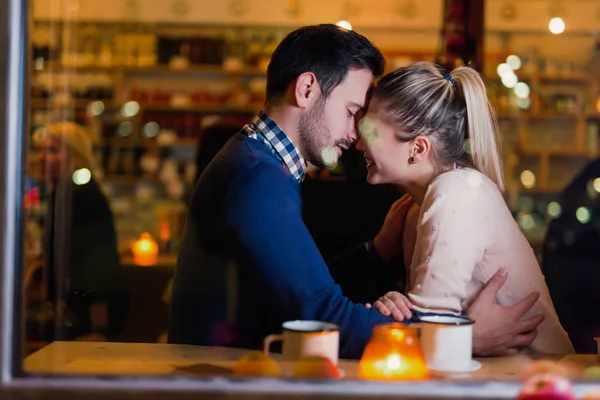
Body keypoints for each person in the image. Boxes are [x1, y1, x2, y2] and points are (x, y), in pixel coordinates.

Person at [169, 24, 543, 359]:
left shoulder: (254, 161)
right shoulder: (257, 177)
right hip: (222, 378)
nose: (354, 135)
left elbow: (298, 288)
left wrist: (376, 253)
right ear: (306, 89)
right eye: (351, 112)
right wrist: (465, 340)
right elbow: (321, 316)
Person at [359, 62, 573, 354]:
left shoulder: (456, 192)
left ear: (418, 149)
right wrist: (396, 311)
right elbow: (426, 329)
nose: (358, 144)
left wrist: (401, 324)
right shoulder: (415, 211)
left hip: (533, 385)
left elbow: (431, 332)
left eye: (369, 131)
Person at [27, 121, 127, 343]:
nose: (42, 157)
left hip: (84, 317)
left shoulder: (80, 194)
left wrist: (98, 329)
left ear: (76, 156)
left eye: (53, 150)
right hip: (75, 311)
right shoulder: (64, 193)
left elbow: (99, 266)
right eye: (41, 150)